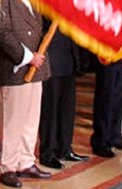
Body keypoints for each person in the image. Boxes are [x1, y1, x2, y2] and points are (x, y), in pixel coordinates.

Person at [0, 0, 52, 188]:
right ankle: (8, 166)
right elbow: (1, 30)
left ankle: (26, 161)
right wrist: (27, 57)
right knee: (13, 121)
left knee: (31, 119)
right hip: (15, 67)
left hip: (36, 67)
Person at [37, 30, 89, 169]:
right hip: (52, 59)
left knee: (67, 110)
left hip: (68, 58)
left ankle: (64, 149)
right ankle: (48, 153)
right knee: (50, 110)